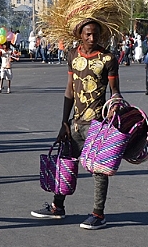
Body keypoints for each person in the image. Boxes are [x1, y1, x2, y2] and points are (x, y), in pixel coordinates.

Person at [30, 18, 122, 230]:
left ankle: (98, 214)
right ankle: (57, 206)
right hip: (75, 123)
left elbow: (115, 90)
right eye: (87, 34)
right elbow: (70, 89)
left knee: (99, 169)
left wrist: (116, 103)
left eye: (95, 34)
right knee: (65, 162)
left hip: (97, 123)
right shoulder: (73, 55)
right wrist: (64, 121)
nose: (92, 38)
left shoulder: (108, 58)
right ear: (80, 35)